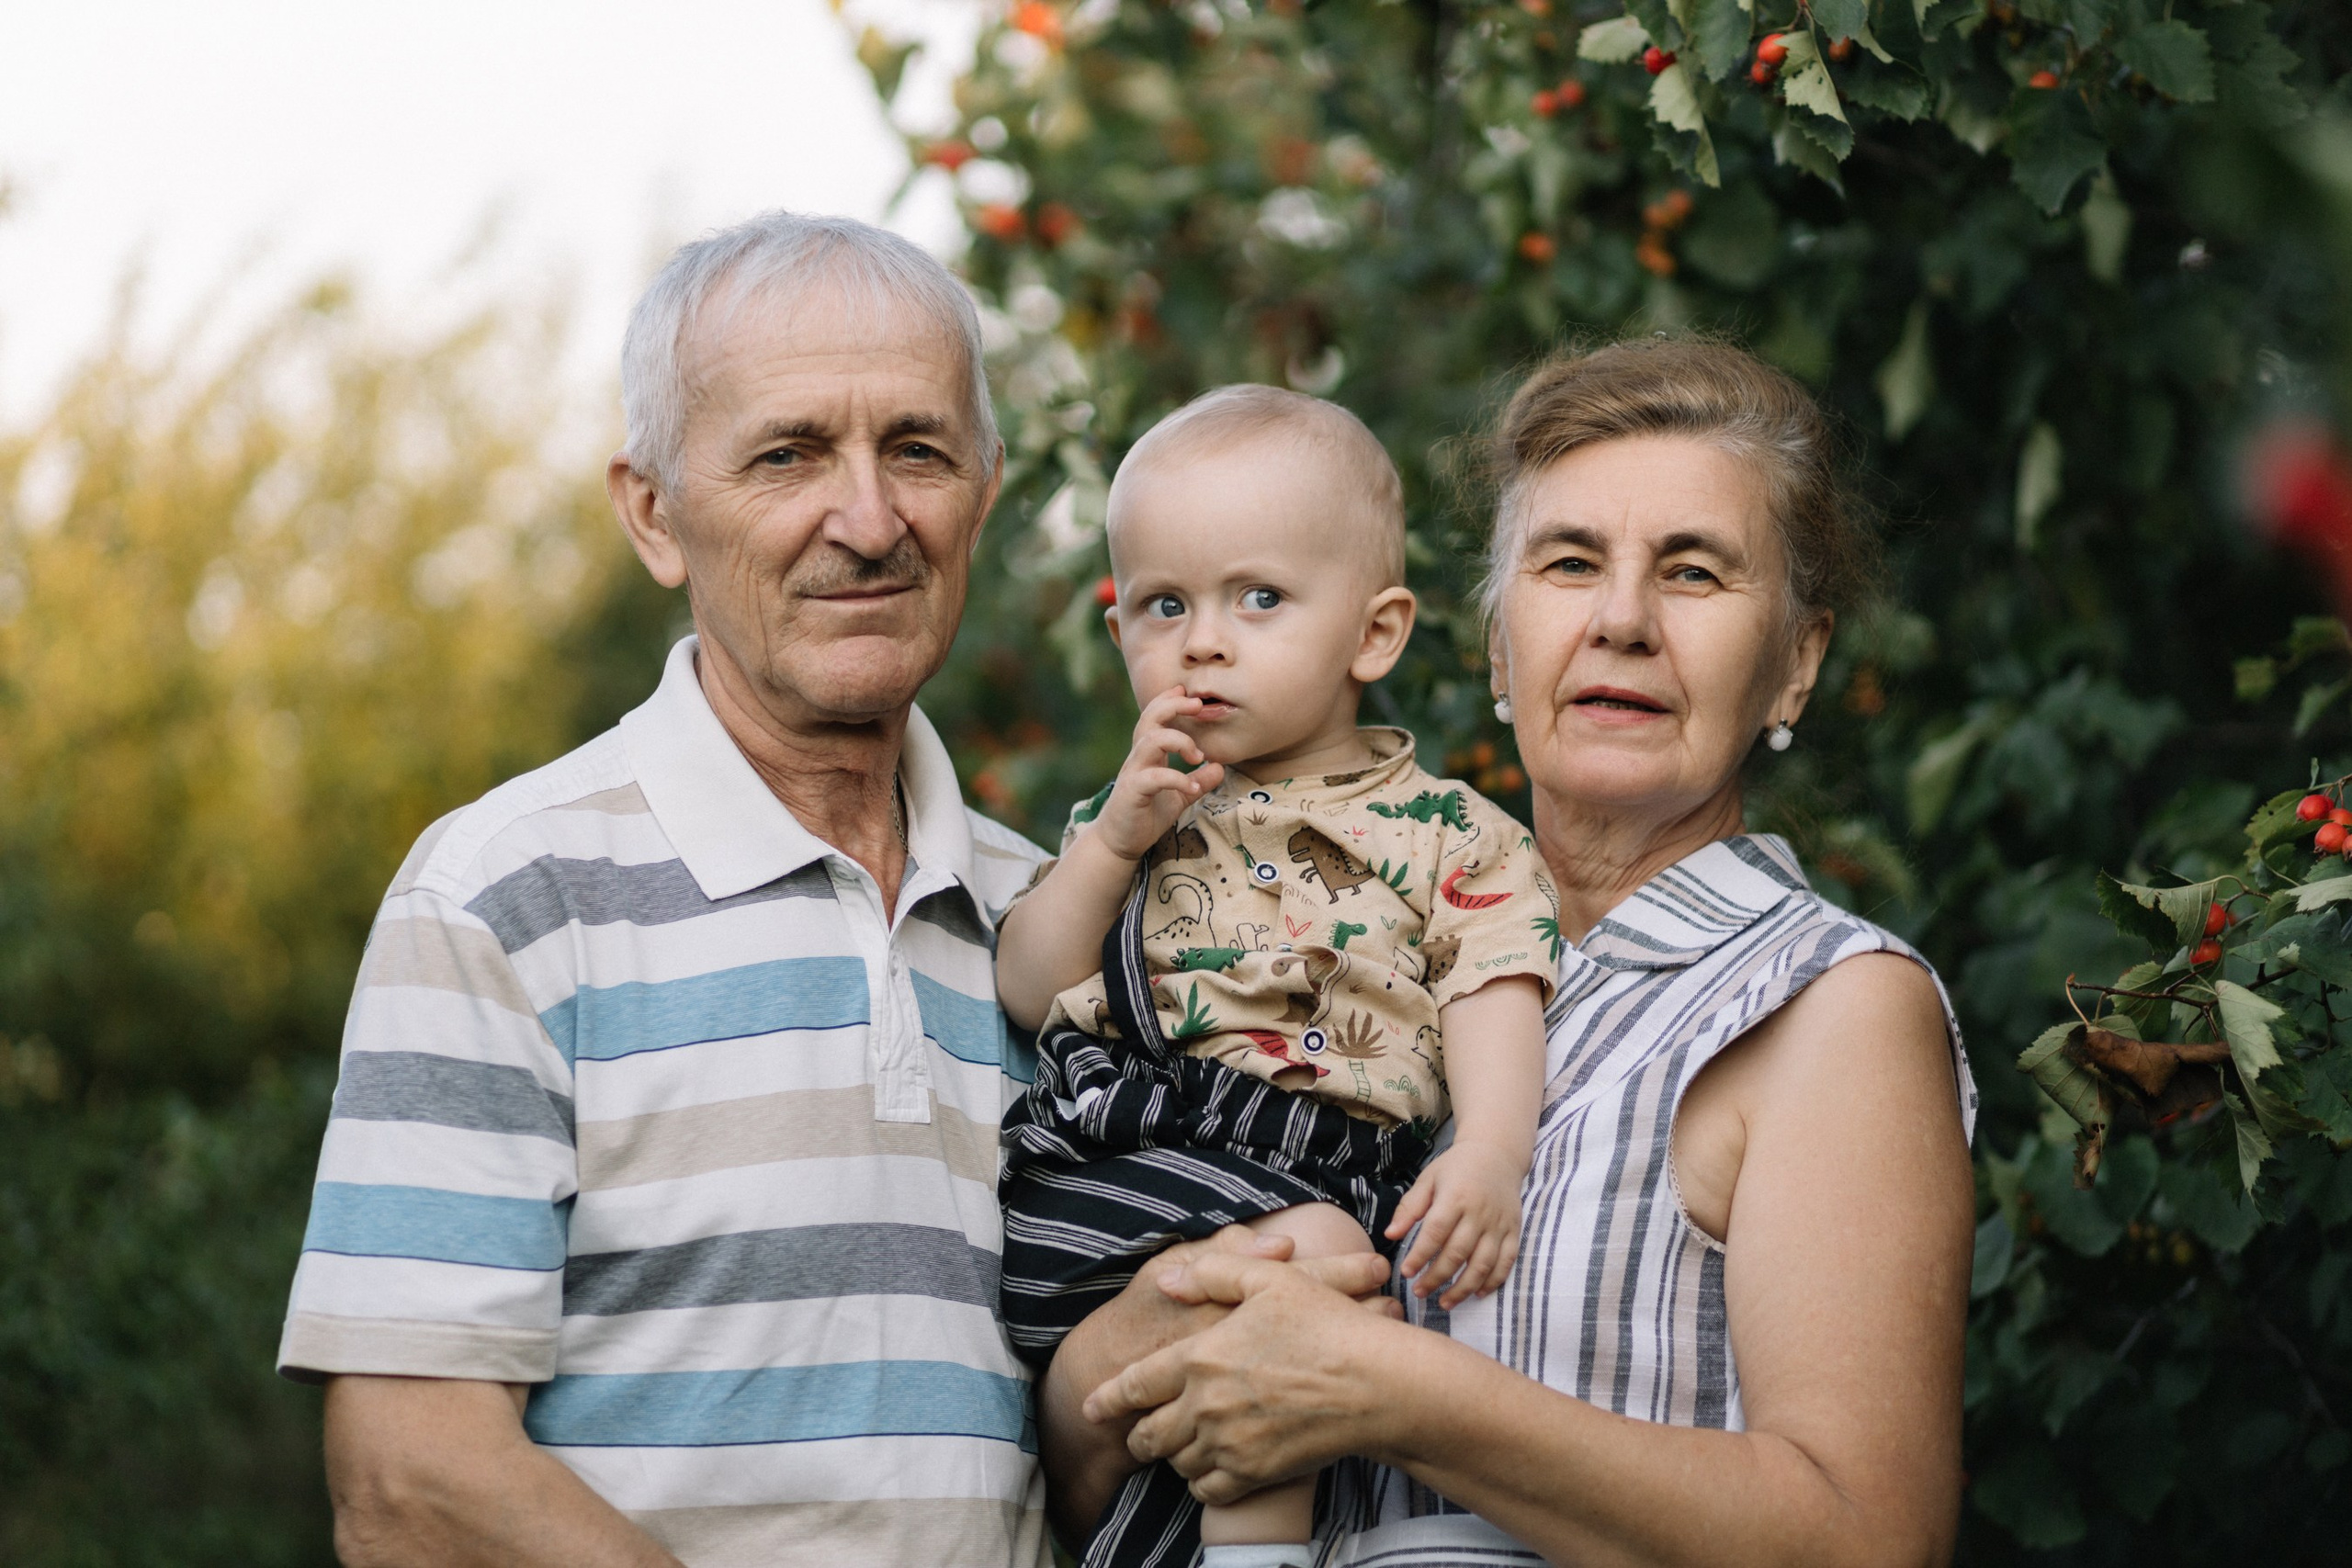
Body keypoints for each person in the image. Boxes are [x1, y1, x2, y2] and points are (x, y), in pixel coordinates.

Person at [1046, 337, 1983, 1567]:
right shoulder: (1332, 960)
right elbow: (1078, 1486)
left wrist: (1399, 1391)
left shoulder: (1822, 1005)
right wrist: (1109, 1362)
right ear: (1497, 647)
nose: (1624, 620)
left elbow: (1869, 1540)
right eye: (1570, 561)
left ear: (1794, 664)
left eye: (1693, 572)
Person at [275, 211, 1058, 1567]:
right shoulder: (506, 897)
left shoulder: (1052, 918)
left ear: (984, 488)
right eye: (787, 454)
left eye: (917, 450)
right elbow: (410, 1477)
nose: (868, 519)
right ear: (655, 513)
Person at [993, 386, 1556, 1568]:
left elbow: (1493, 980)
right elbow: (1030, 988)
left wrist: (1491, 1151)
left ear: (1374, 633)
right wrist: (1108, 849)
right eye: (1162, 605)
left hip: (1316, 1169)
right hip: (1115, 1174)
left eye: (1258, 599)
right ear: (1121, 639)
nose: (1203, 639)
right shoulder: (1130, 815)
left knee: (1318, 1290)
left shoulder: (1448, 831)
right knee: (1313, 1274)